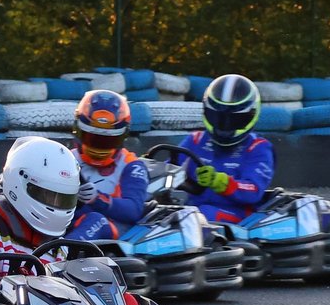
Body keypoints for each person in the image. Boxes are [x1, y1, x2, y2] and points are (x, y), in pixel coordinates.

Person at [173, 73, 275, 225]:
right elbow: (170, 169)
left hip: (240, 217)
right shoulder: (195, 141)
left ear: (251, 115)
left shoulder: (259, 148)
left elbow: (254, 191)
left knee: (201, 214)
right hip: (192, 211)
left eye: (233, 119)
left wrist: (221, 182)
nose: (225, 125)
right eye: (218, 118)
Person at [66, 90, 152, 240]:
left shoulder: (132, 166)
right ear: (79, 131)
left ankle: (60, 255)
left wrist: (97, 199)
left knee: (95, 219)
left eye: (107, 141)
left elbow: (133, 210)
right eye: (93, 138)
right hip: (68, 222)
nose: (99, 146)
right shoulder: (66, 158)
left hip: (116, 231)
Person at [0, 136, 82, 255]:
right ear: (18, 184)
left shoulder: (61, 250)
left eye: (64, 199)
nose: (56, 204)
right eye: (48, 195)